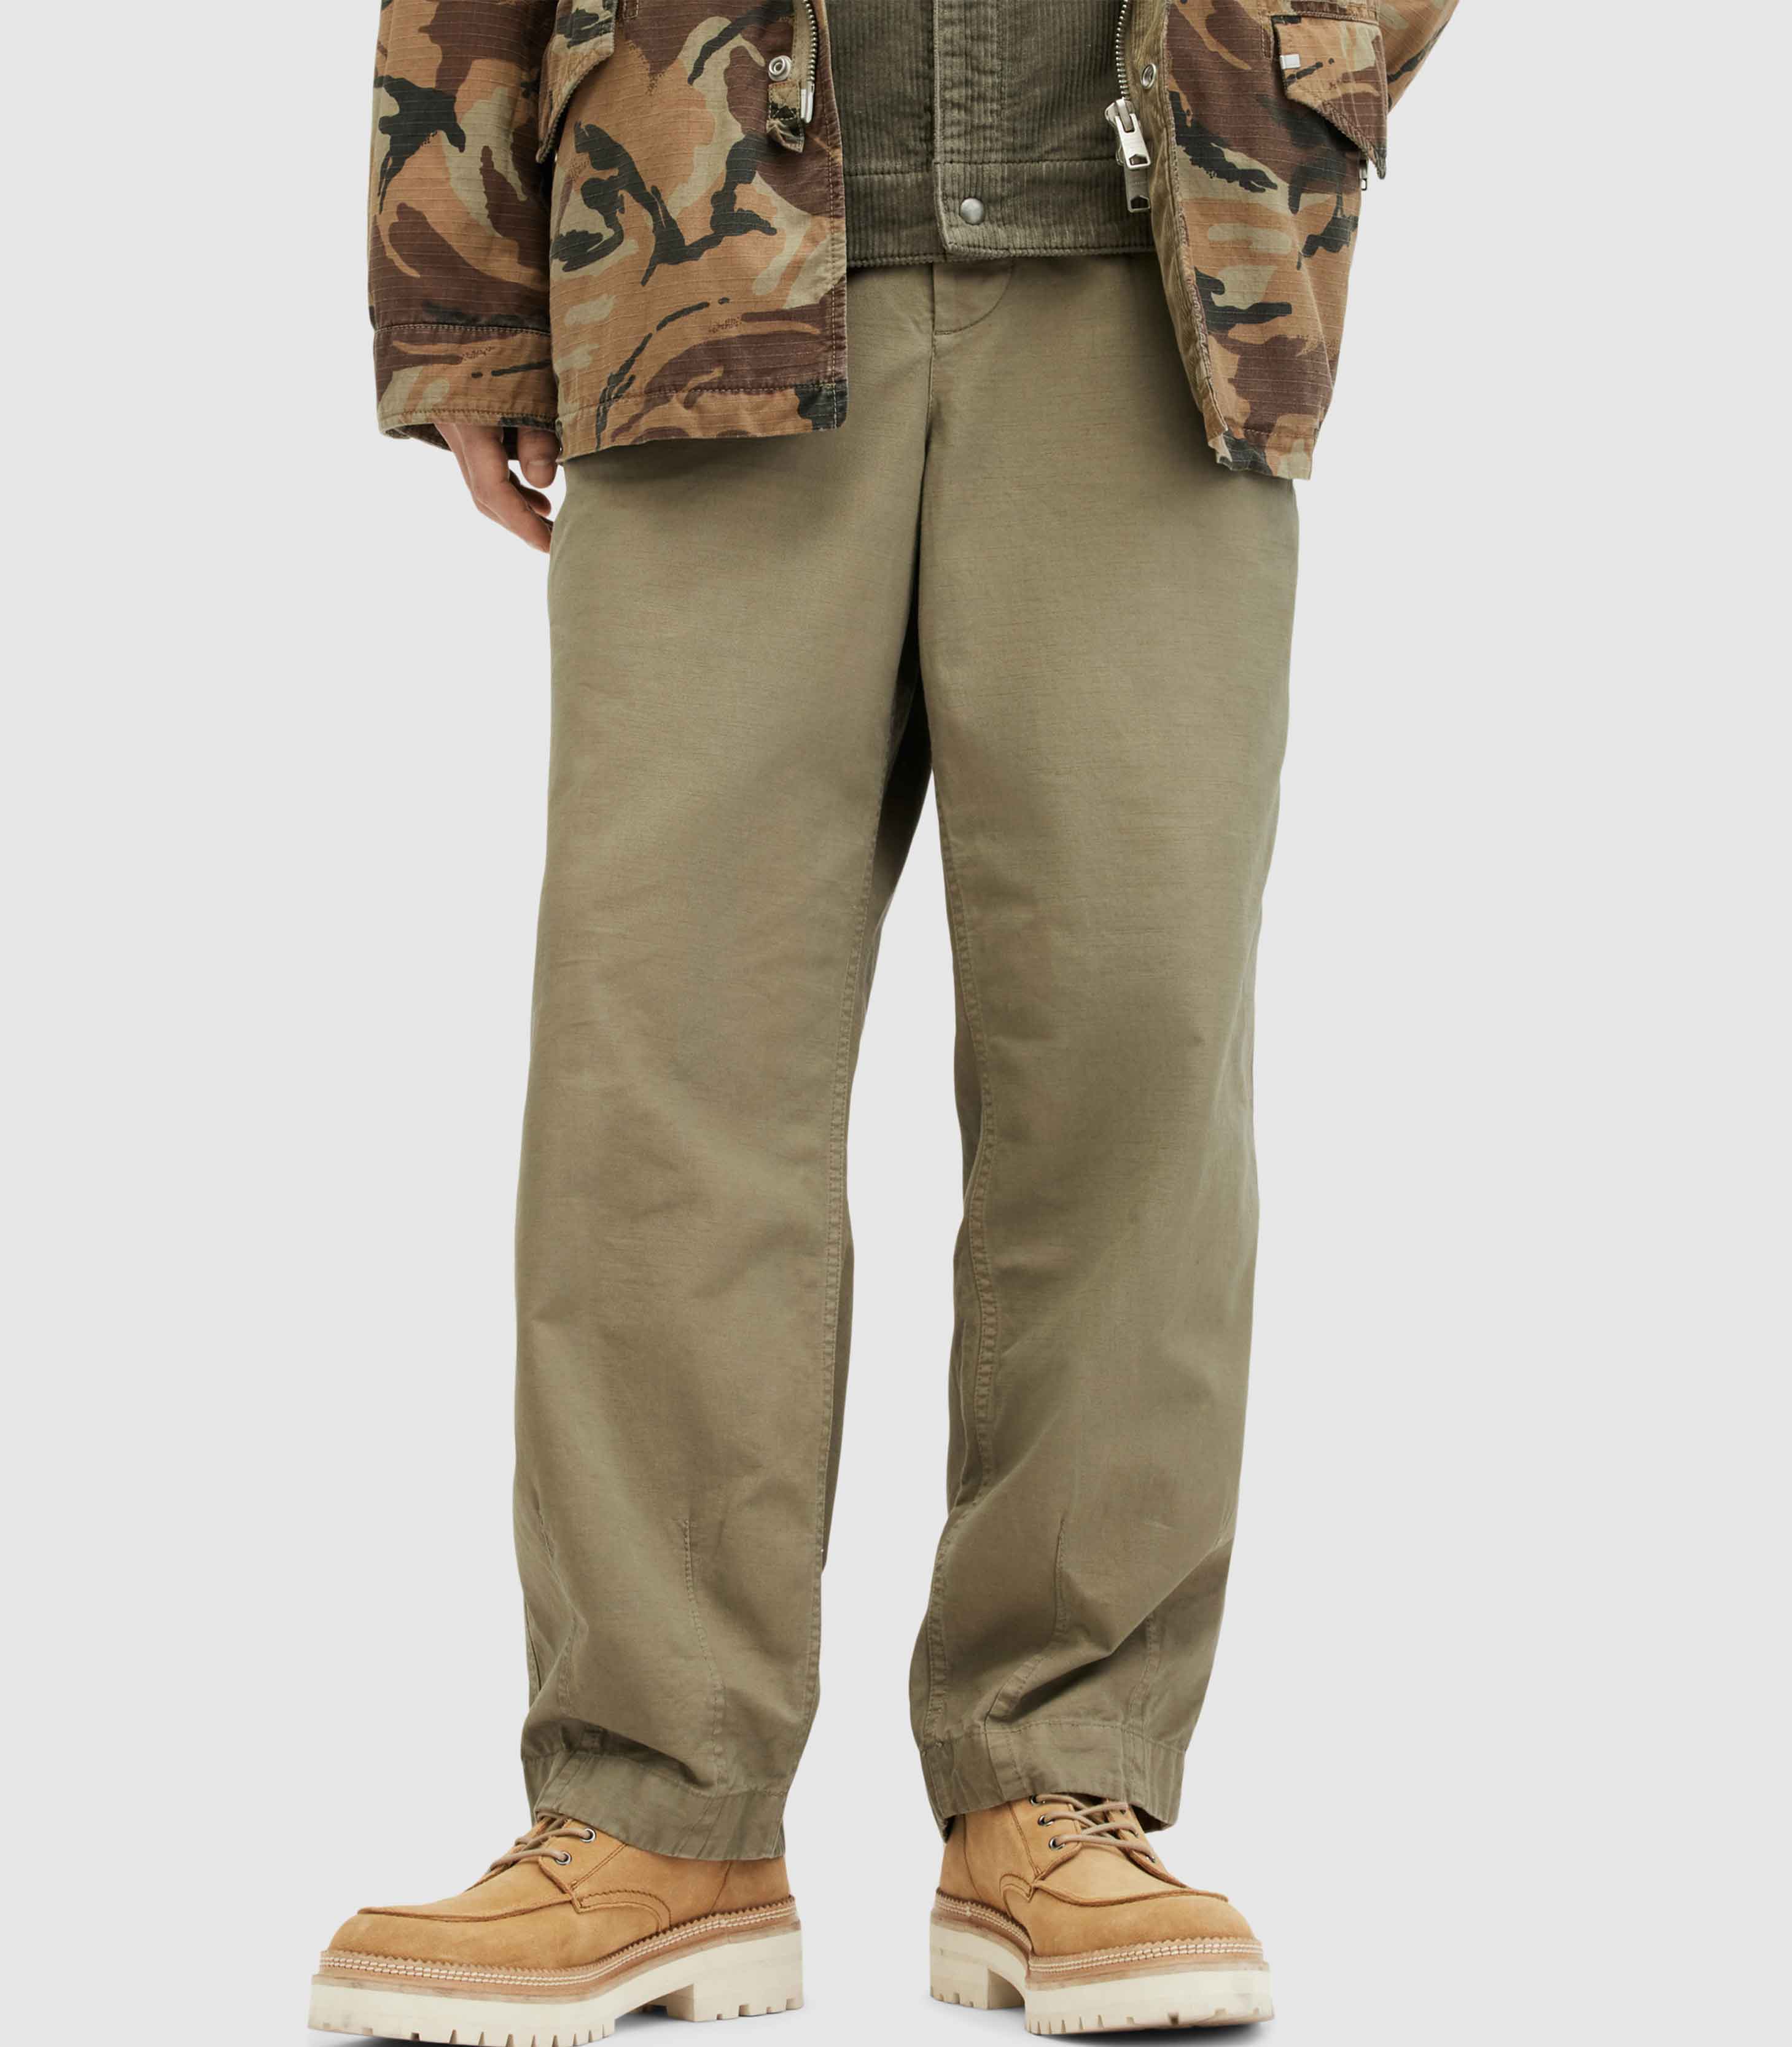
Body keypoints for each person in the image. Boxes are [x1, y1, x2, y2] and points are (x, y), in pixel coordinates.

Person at [312, 1, 1457, 2037]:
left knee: (1132, 1055)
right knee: (661, 1065)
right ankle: (659, 1818)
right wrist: (461, 300)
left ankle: (1059, 1789)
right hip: (695, 255)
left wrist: (1302, 63)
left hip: (1156, 277)